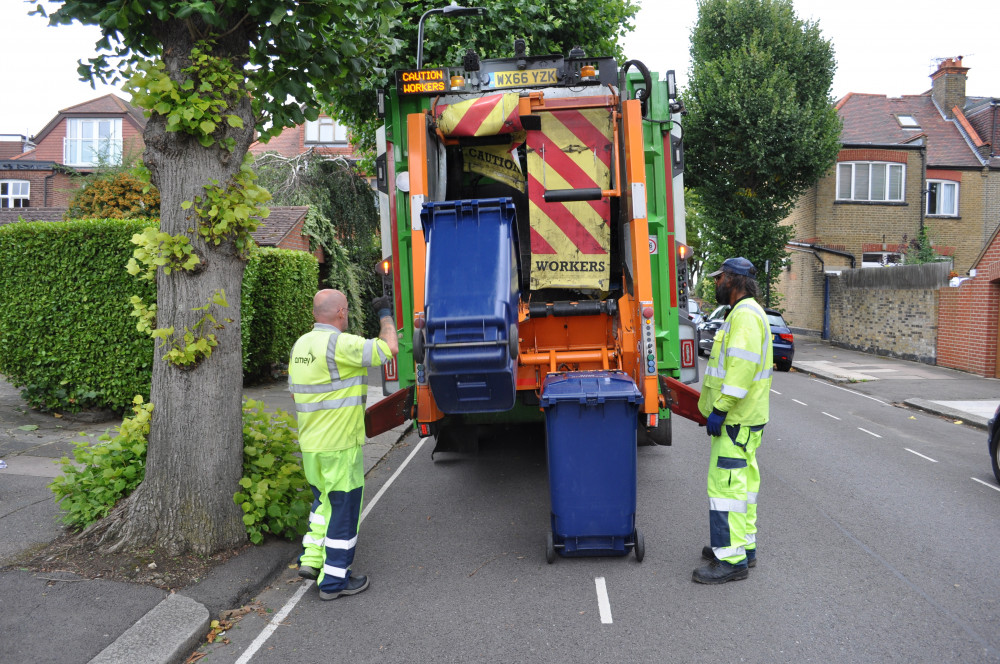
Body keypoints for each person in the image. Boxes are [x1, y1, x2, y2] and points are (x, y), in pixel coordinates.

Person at [288, 289, 398, 600]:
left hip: (311, 445)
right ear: (341, 313)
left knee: (323, 504)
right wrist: (385, 314)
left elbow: (296, 394)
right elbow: (388, 347)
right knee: (344, 512)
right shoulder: (340, 343)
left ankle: (311, 559)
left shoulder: (300, 346)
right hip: (339, 446)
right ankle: (334, 581)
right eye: (346, 310)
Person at [693, 257, 772, 584]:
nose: (715, 283)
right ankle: (743, 547)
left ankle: (731, 560)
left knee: (726, 488)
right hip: (747, 418)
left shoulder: (744, 317)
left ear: (734, 281)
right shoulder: (747, 313)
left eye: (719, 278)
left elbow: (739, 371)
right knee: (743, 487)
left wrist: (721, 409)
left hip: (735, 420)